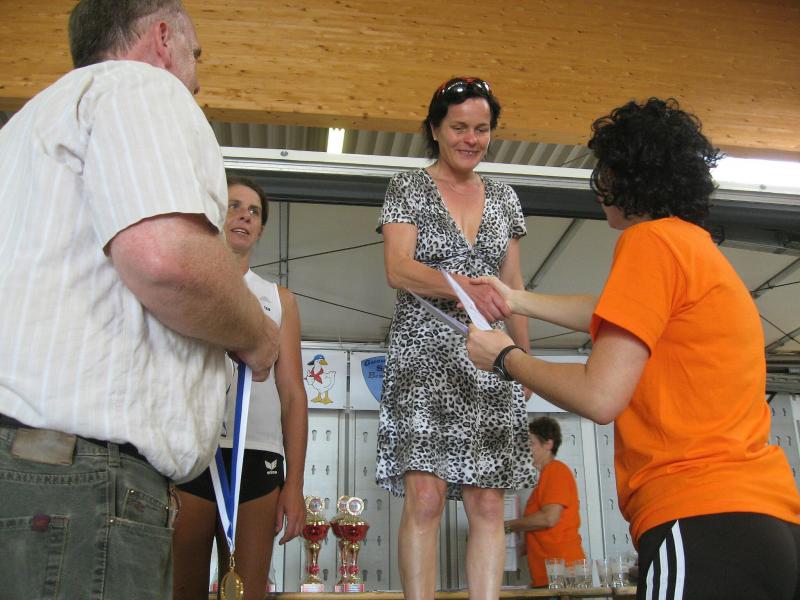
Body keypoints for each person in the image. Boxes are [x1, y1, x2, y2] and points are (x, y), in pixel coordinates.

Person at [467, 97, 800, 599]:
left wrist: (505, 358)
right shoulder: (696, 250)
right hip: (767, 521)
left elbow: (600, 396)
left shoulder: (651, 242)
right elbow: (609, 309)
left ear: (626, 176)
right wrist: (514, 299)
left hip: (700, 518)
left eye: (606, 169)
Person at [0, 2, 279, 598]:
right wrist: (258, 334)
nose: (196, 81)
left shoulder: (25, 128)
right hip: (80, 485)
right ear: (162, 37)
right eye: (195, 55)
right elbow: (165, 259)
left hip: (30, 472)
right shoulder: (140, 87)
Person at [375, 76, 537, 600]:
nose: (471, 139)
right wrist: (465, 286)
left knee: (488, 502)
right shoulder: (408, 186)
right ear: (435, 129)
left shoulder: (505, 198)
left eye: (481, 129)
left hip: (491, 356)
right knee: (425, 497)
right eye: (459, 127)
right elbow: (398, 269)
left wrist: (525, 359)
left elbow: (513, 285)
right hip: (423, 354)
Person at [173, 176, 307, 599]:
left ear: (261, 228)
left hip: (258, 457)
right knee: (184, 590)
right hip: (192, 453)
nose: (244, 216)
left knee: (246, 592)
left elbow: (293, 395)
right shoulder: (184, 285)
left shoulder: (279, 300)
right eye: (233, 205)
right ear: (215, 215)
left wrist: (295, 485)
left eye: (254, 211)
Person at [504, 417, 585, 587]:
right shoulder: (546, 477)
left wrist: (508, 526)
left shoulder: (556, 471)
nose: (526, 449)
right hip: (550, 574)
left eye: (531, 443)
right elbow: (543, 531)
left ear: (548, 444)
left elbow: (549, 518)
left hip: (561, 574)